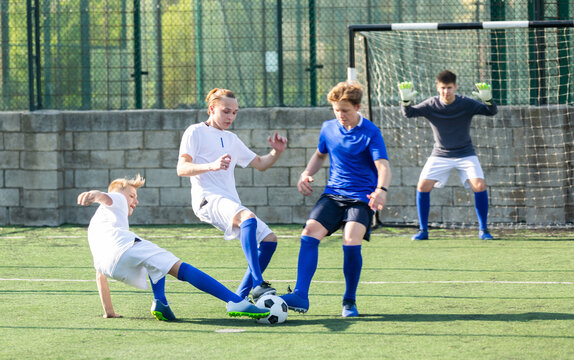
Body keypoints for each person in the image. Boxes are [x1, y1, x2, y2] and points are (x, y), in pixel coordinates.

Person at [77, 174, 269, 321]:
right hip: (123, 248)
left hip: (109, 267)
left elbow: (99, 276)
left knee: (154, 262)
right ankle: (236, 301)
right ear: (120, 194)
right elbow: (106, 197)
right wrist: (95, 195)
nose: (136, 201)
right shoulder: (116, 199)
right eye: (132, 196)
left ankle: (160, 302)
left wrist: (109, 312)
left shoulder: (97, 225)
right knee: (177, 266)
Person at [280, 81, 392, 317]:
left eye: (346, 111)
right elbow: (320, 154)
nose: (341, 116)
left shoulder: (371, 132)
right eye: (336, 110)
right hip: (333, 194)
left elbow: (383, 166)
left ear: (358, 107)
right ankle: (300, 295)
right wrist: (306, 173)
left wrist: (381, 189)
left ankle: (349, 301)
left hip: (361, 198)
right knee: (309, 233)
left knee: (351, 240)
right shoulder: (328, 128)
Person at [177, 88, 288, 302]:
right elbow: (181, 168)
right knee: (248, 217)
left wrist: (277, 152)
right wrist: (211, 165)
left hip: (229, 201)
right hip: (206, 199)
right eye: (226, 111)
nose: (231, 117)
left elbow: (260, 164)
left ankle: (239, 298)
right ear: (212, 109)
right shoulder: (195, 132)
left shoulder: (231, 138)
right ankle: (257, 284)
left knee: (269, 240)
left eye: (235, 112)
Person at [398, 70, 498, 240]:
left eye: (449, 88)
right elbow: (409, 113)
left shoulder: (465, 103)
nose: (446, 91)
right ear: (438, 87)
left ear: (455, 87)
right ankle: (423, 230)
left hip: (466, 154)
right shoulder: (431, 104)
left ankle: (483, 230)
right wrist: (405, 102)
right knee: (422, 186)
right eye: (443, 88)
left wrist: (488, 100)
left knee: (479, 186)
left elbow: (491, 111)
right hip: (440, 154)